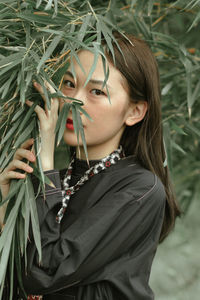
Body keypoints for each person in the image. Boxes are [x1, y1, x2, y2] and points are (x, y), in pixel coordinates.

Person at [0, 32, 180, 300]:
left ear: (135, 112)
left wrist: (46, 164)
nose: (74, 101)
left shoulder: (140, 191)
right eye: (69, 84)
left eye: (97, 91)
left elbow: (45, 271)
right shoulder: (51, 182)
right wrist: (6, 203)